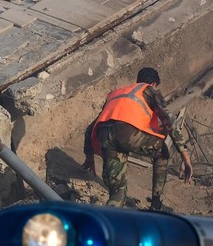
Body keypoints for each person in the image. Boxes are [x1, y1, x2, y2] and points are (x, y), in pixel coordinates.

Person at [82, 67, 193, 211]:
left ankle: (106, 222)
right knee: (162, 152)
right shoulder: (149, 90)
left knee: (118, 194)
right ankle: (156, 205)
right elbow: (169, 120)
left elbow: (90, 129)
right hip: (127, 133)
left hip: (105, 137)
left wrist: (89, 157)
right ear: (153, 83)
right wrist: (185, 156)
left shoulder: (117, 94)